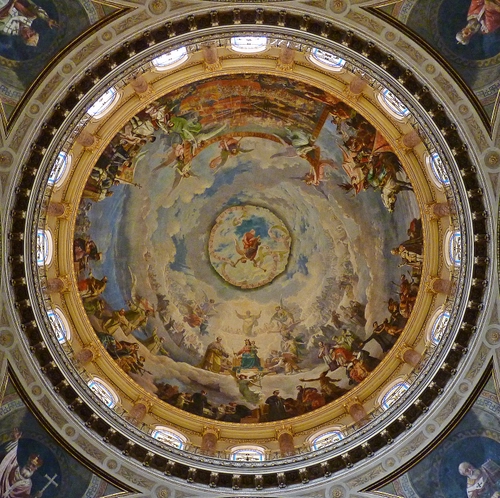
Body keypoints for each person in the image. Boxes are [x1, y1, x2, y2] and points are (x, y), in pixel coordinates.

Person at [0, 428, 45, 498]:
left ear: (36, 468)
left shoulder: (27, 485)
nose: (30, 466)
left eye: (33, 466)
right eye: (30, 463)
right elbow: (11, 455)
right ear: (27, 461)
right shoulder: (14, 466)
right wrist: (15, 440)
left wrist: (35, 497)